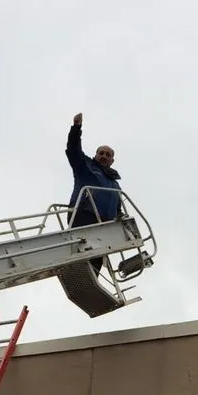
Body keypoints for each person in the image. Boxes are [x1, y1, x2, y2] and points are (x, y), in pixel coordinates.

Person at [65, 112, 122, 275]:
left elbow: (117, 208)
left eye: (108, 154)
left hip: (105, 225)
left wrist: (120, 219)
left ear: (112, 160)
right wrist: (76, 128)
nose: (104, 156)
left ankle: (88, 280)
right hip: (84, 214)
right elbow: (73, 150)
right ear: (96, 155)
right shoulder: (85, 166)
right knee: (81, 254)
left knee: (94, 263)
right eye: (101, 153)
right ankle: (74, 273)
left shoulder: (115, 184)